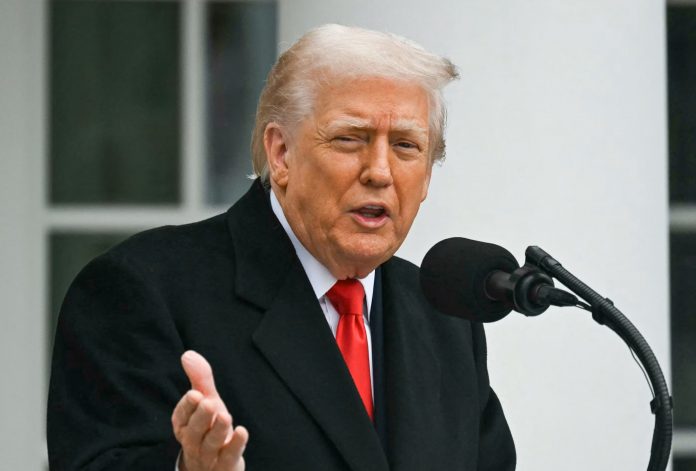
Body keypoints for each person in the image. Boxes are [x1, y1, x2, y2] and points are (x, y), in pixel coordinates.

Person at [47, 24, 516, 471]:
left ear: (428, 175)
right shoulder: (142, 290)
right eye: (350, 139)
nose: (379, 171)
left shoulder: (444, 314)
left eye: (406, 146)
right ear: (281, 153)